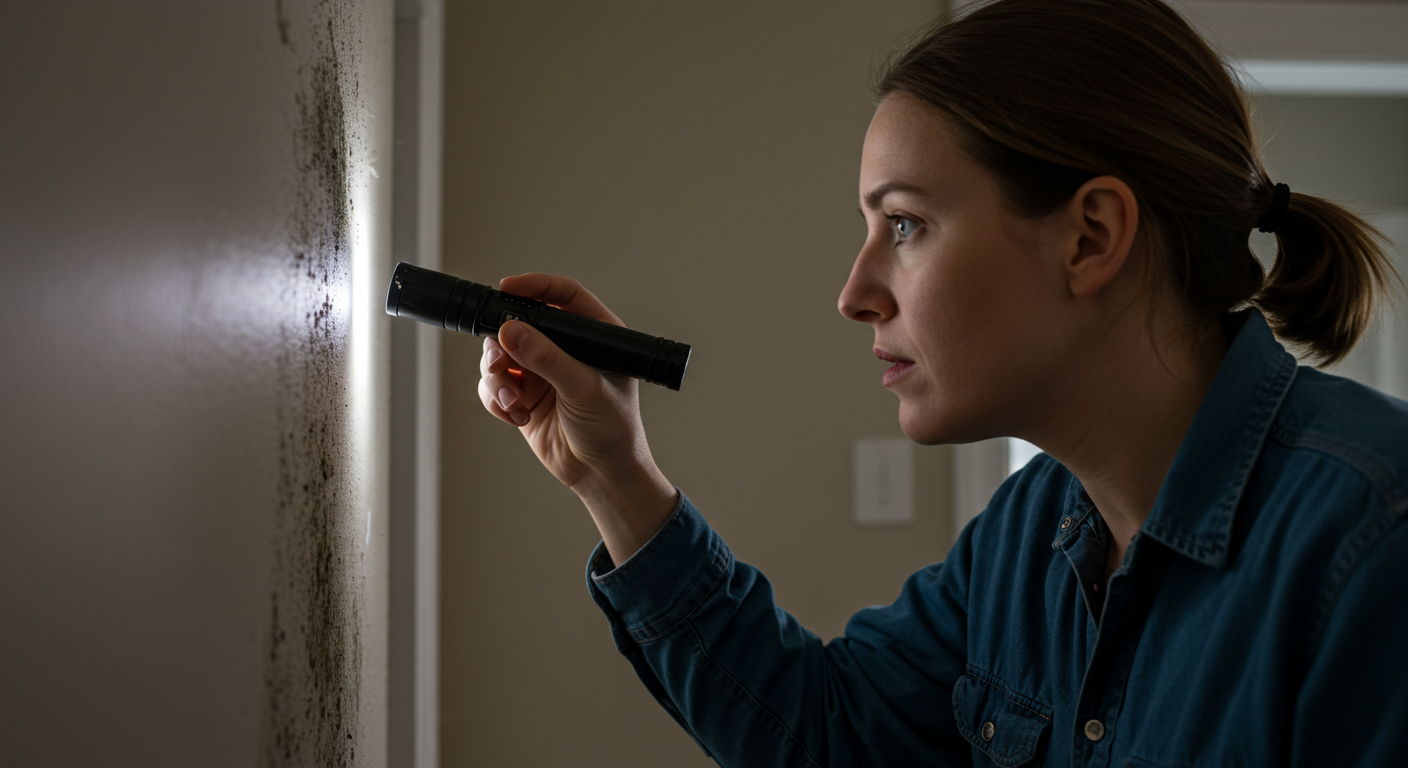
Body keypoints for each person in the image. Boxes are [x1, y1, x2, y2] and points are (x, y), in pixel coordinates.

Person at [476, 0, 1407, 764]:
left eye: (907, 225)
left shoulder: (1371, 545)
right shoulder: (1026, 537)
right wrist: (614, 473)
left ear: (1089, 238)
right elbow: (829, 736)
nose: (853, 293)